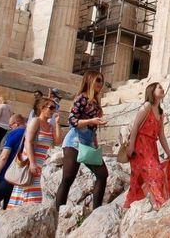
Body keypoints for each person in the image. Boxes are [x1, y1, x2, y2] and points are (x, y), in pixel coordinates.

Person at [55, 71, 108, 211]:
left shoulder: (96, 100)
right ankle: (57, 214)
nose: (100, 84)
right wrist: (91, 120)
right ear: (89, 81)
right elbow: (72, 120)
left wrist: (95, 140)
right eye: (97, 80)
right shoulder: (82, 98)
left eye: (101, 81)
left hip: (89, 141)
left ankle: (97, 210)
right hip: (74, 141)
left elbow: (92, 126)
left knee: (102, 174)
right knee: (68, 178)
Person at [124, 82, 170, 209]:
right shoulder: (146, 106)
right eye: (159, 87)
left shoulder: (160, 112)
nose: (163, 89)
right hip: (140, 146)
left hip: (151, 146)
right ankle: (160, 202)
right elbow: (135, 126)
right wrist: (131, 146)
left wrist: (169, 154)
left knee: (139, 179)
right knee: (157, 173)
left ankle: (131, 207)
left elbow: (161, 135)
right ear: (151, 91)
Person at [9, 98, 61, 207]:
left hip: (39, 166)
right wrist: (32, 162)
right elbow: (28, 142)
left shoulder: (50, 126)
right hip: (30, 163)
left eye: (54, 108)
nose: (53, 110)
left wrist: (57, 124)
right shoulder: (35, 121)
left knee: (32, 194)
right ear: (42, 108)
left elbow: (57, 142)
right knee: (27, 191)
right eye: (51, 107)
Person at [0, 114, 26, 220]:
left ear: (16, 123)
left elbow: (3, 157)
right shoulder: (30, 134)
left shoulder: (14, 134)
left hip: (6, 176)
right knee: (9, 209)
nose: (10, 128)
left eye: (10, 125)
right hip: (21, 179)